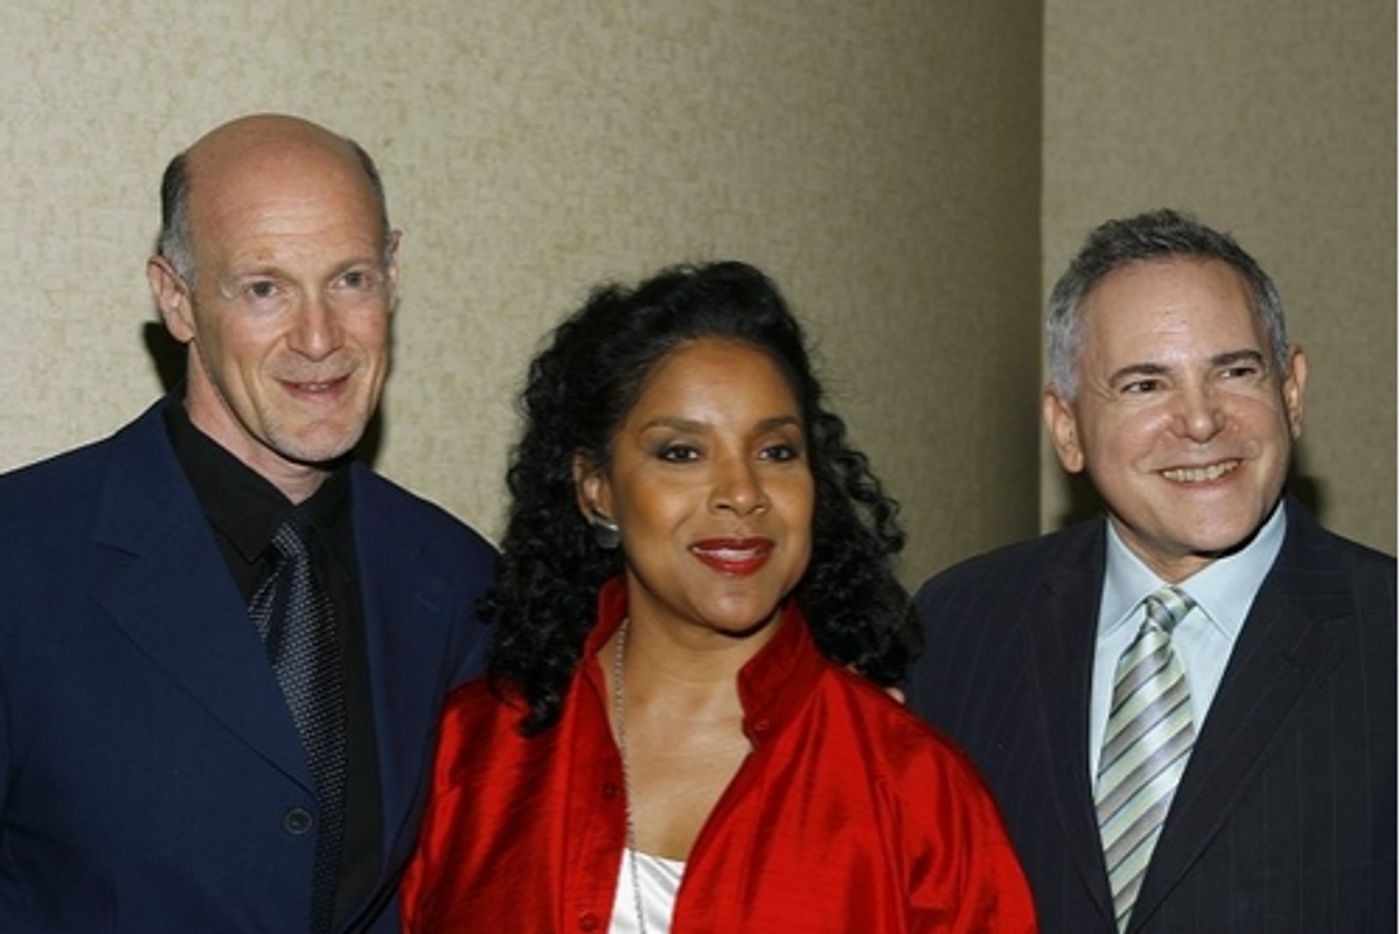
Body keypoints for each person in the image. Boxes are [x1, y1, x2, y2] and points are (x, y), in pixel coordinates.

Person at [400, 261, 1036, 932]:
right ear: (597, 488)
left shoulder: (915, 787)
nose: (742, 492)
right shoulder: (472, 750)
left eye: (776, 452)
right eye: (682, 452)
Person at [0, 114, 495, 932]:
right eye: (265, 288)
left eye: (350, 280)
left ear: (394, 274)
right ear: (177, 300)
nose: (319, 338)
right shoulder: (20, 557)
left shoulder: (459, 580)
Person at [909, 209, 1395, 933]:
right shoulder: (961, 624)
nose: (1200, 421)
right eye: (1144, 385)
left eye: (1235, 371)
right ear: (1067, 428)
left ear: (1291, 394)